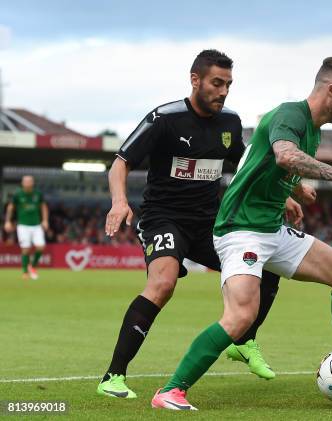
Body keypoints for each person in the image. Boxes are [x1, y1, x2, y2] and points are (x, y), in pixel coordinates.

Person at [152, 55, 332, 411]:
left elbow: (266, 164)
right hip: (241, 230)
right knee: (241, 317)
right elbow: (285, 156)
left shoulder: (314, 128)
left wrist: (293, 190)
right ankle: (171, 391)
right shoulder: (291, 115)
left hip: (271, 228)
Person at [98, 49, 307, 399]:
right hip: (163, 218)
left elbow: (245, 162)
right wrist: (119, 202)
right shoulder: (164, 118)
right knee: (162, 283)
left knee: (268, 264)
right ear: (195, 80)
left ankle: (244, 341)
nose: (223, 91)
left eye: (228, 84)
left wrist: (280, 193)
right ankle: (113, 376)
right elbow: (120, 162)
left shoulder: (230, 122)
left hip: (211, 222)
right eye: (216, 83)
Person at [3, 175, 48, 280]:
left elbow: (43, 207)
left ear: (33, 183)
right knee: (25, 249)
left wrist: (45, 220)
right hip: (23, 225)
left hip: (36, 225)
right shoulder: (18, 194)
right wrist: (7, 221)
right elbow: (11, 207)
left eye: (29, 181)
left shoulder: (38, 194)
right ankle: (25, 272)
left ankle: (32, 266)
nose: (27, 183)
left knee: (41, 246)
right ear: (22, 183)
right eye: (25, 181)